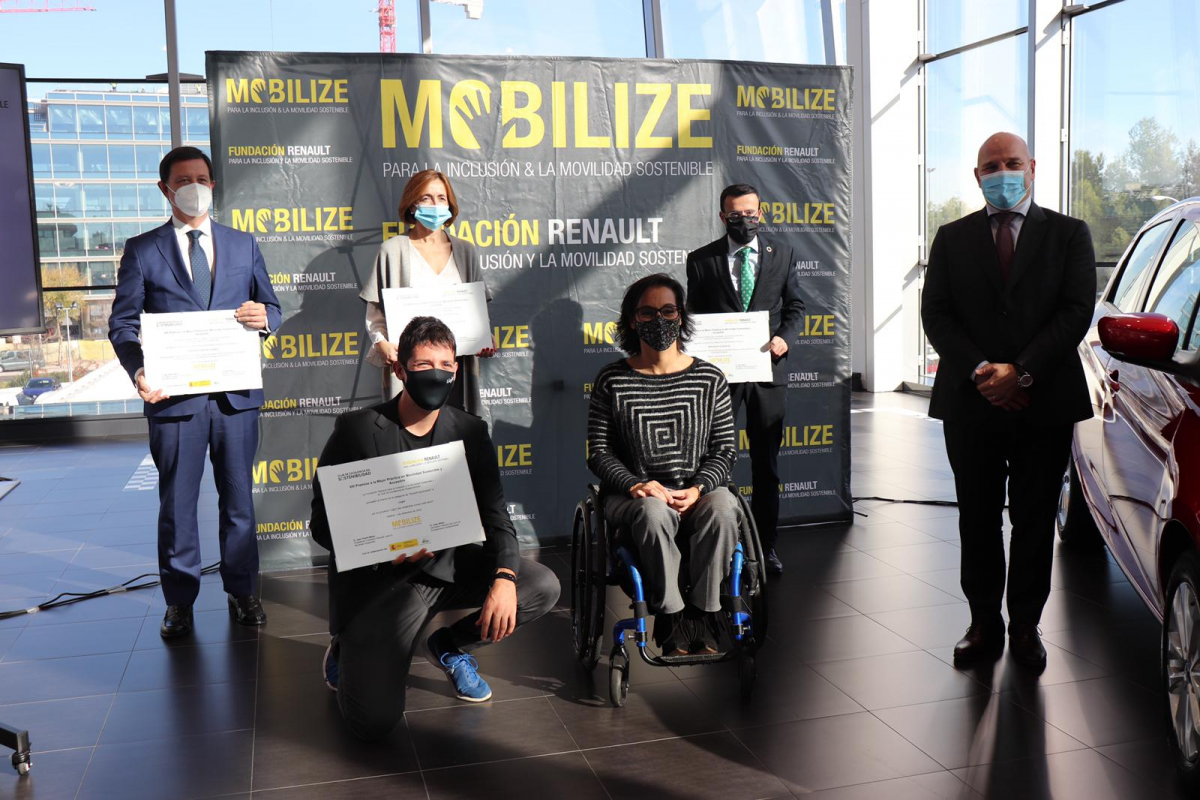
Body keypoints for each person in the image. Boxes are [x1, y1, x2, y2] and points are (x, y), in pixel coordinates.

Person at [311, 317, 559, 740]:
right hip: (383, 583)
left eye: (446, 364)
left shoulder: (470, 431)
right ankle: (346, 648)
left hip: (450, 567)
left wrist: (504, 578)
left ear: (456, 370)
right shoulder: (357, 430)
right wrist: (380, 547)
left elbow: (497, 516)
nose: (437, 374)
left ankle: (449, 644)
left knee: (540, 585)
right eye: (424, 365)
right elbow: (322, 523)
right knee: (373, 723)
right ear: (400, 369)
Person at [922, 132, 1096, 671]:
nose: (1003, 173)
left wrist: (1019, 374)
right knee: (976, 518)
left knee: (1035, 518)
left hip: (1044, 402)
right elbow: (936, 314)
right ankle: (983, 624)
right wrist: (984, 373)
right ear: (978, 177)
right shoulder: (951, 238)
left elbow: (1075, 311)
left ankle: (1025, 625)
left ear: (1032, 167)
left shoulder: (1069, 234)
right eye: (992, 166)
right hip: (970, 402)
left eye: (1012, 162)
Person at [108, 145, 283, 638]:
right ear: (165, 189)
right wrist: (138, 371)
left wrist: (265, 317)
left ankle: (243, 591)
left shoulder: (243, 244)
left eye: (202, 178)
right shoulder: (143, 250)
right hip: (173, 400)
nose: (195, 187)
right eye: (184, 180)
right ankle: (179, 601)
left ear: (213, 184)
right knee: (177, 506)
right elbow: (122, 324)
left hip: (235, 400)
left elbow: (272, 306)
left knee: (239, 502)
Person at [587, 273, 741, 656]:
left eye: (668, 311)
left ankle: (704, 612)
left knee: (724, 507)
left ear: (681, 316)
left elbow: (725, 449)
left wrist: (699, 487)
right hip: (634, 497)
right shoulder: (613, 379)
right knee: (654, 511)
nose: (659, 320)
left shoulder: (708, 378)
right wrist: (636, 484)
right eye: (647, 312)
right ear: (632, 320)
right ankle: (671, 615)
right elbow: (599, 453)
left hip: (697, 492)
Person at [686, 183, 805, 574]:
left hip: (768, 374)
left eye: (750, 214)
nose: (744, 221)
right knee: (713, 462)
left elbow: (796, 307)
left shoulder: (782, 254)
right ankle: (714, 545)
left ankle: (765, 548)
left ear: (761, 213)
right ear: (723, 217)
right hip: (720, 379)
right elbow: (693, 318)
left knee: (766, 467)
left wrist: (784, 339)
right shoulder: (701, 260)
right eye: (736, 215)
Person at [360, 170, 495, 414]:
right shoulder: (392, 251)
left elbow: (477, 309)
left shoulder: (465, 251)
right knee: (407, 428)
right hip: (411, 368)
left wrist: (485, 337)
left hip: (455, 367)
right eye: (426, 198)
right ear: (412, 205)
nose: (435, 205)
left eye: (441, 198)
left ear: (450, 205)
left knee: (457, 426)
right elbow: (376, 314)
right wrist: (381, 343)